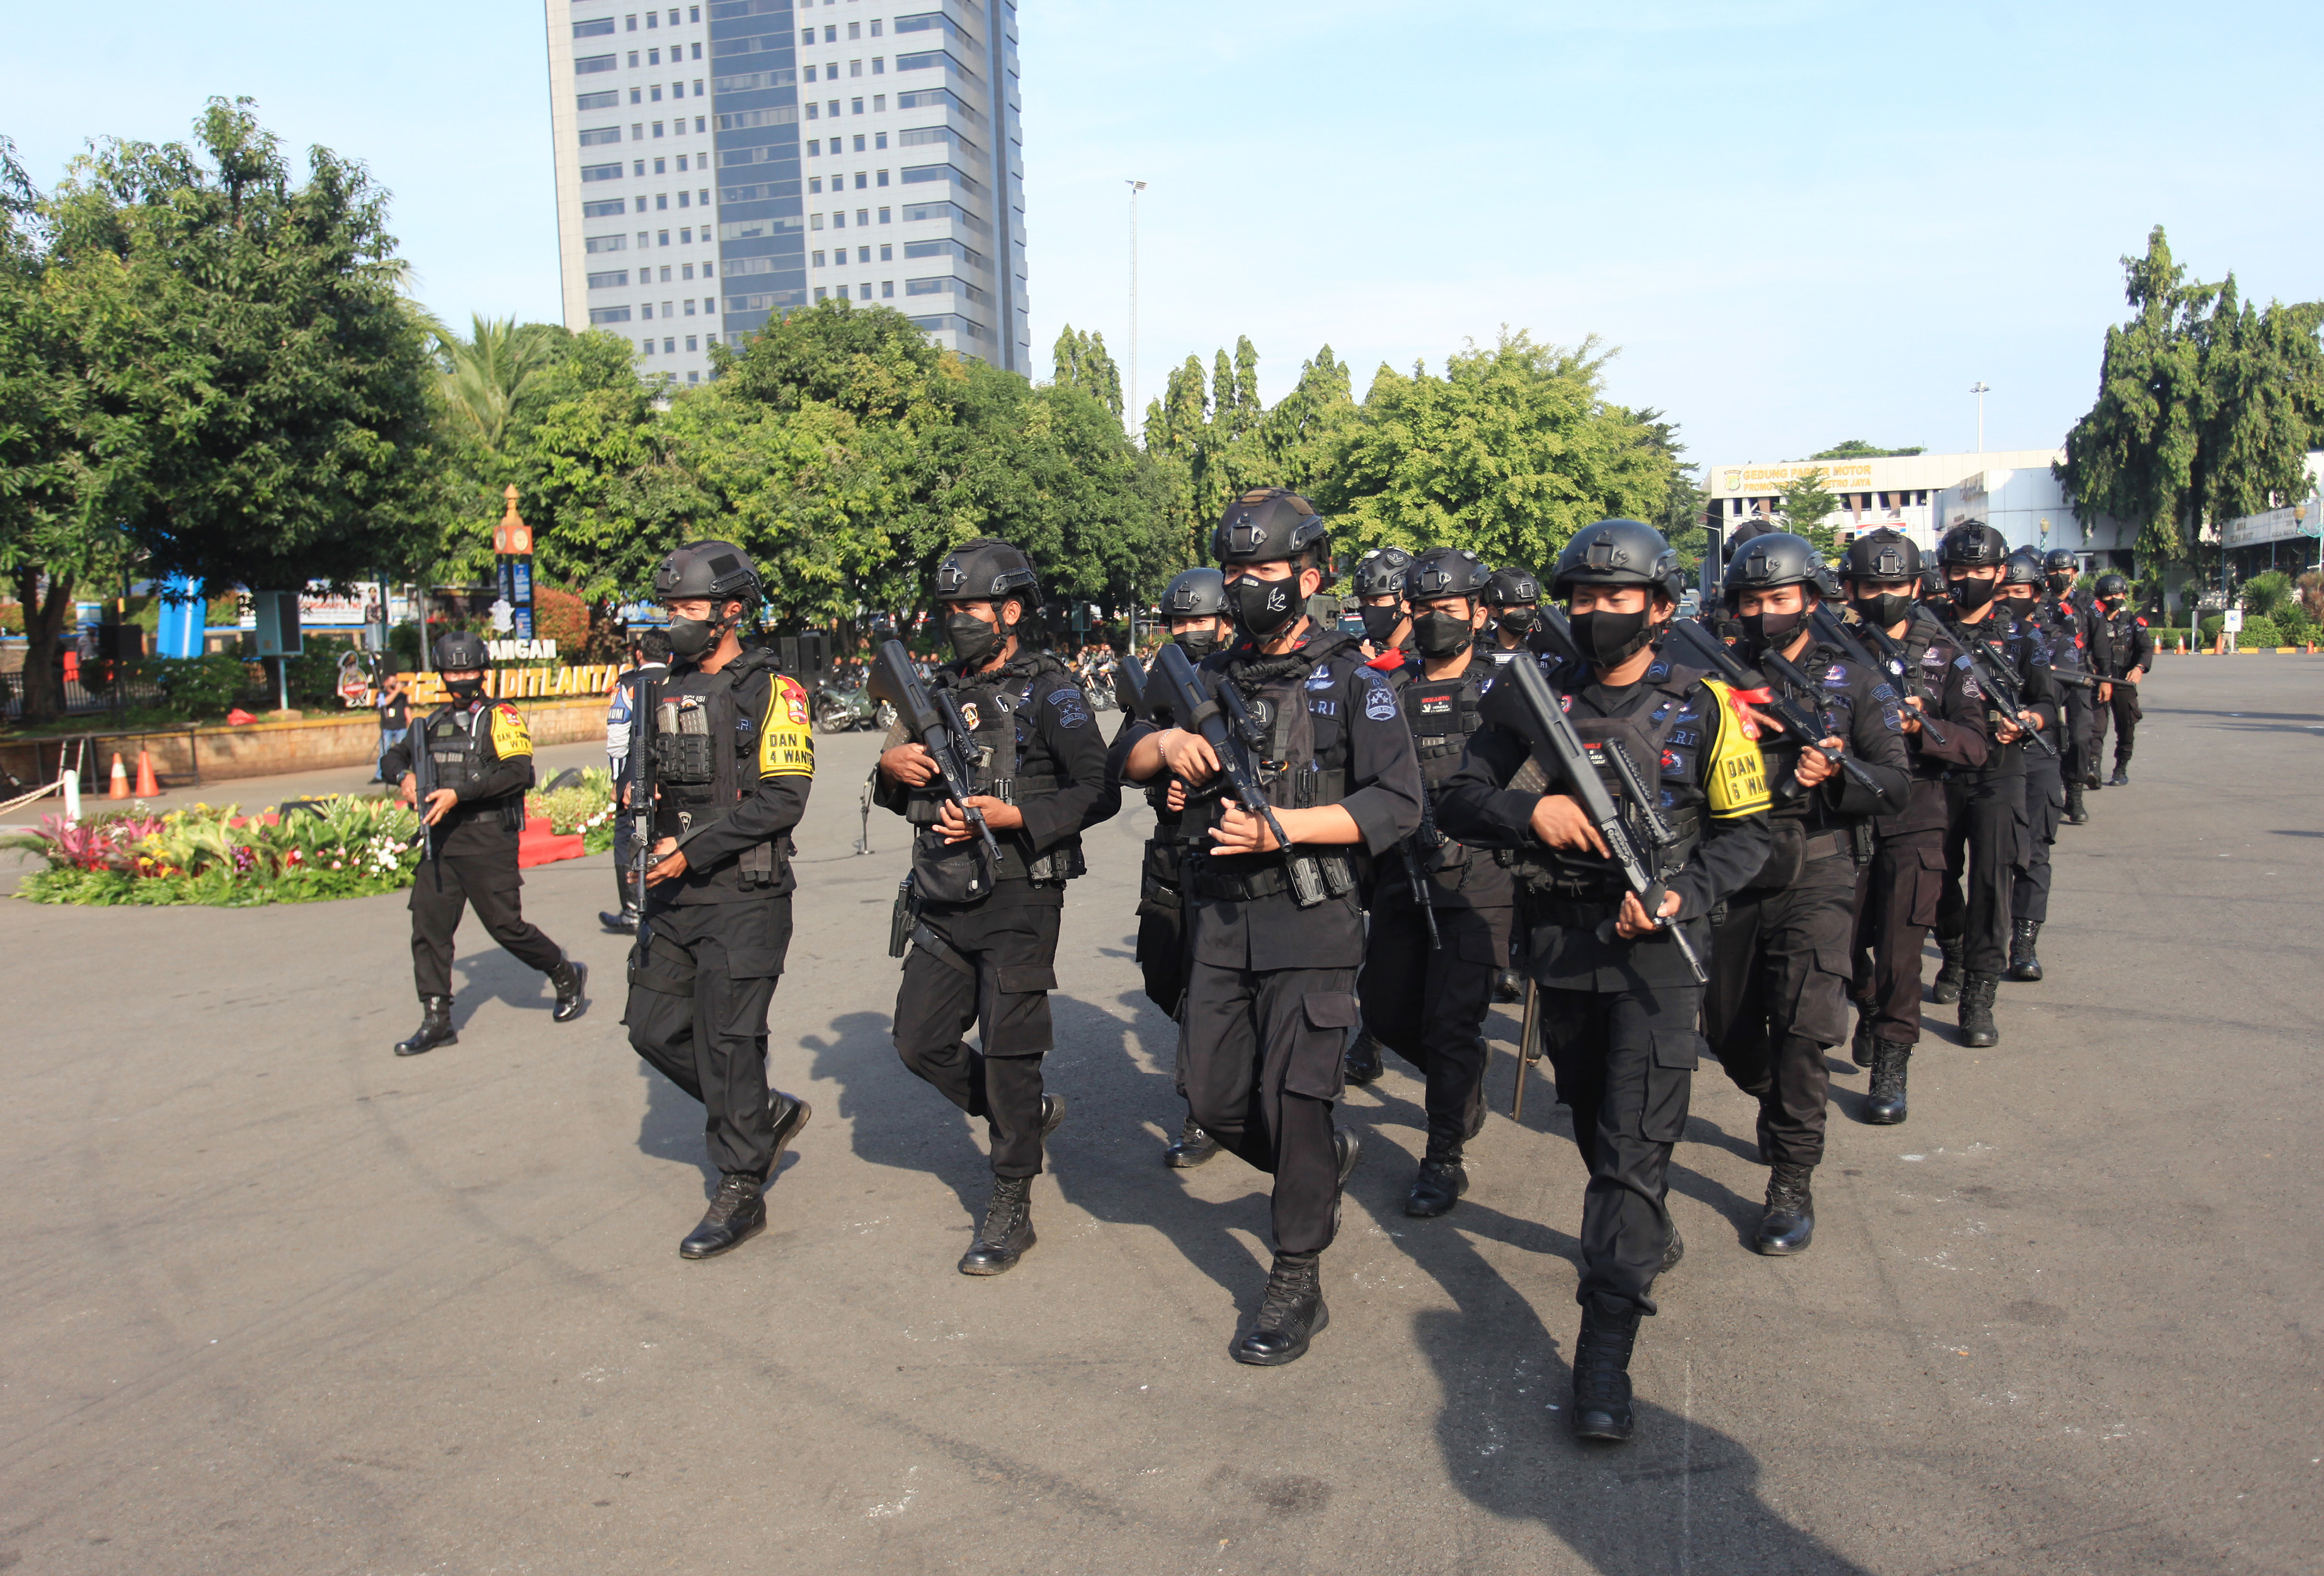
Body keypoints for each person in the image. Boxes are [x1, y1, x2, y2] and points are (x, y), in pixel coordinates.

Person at [1436, 518, 1771, 1444]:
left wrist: (1676, 893)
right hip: (1565, 954)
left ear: (1661, 608)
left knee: (1629, 1150)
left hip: (1660, 959)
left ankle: (1604, 1353)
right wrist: (1531, 809)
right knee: (1592, 1123)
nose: (1595, 613)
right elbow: (1456, 797)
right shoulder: (1531, 699)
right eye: (1580, 597)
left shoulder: (1708, 705)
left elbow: (1750, 832)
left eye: (1615, 597)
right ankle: (1639, 1228)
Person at [1120, 488, 1423, 1366]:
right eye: (1234, 572)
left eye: (1263, 573)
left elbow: (1397, 803)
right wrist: (1167, 753)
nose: (1245, 587)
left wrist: (1284, 827)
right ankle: (1318, 1163)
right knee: (1212, 1098)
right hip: (1219, 918)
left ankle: (1296, 1271)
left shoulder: (1356, 681)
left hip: (1314, 919)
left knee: (1294, 1097)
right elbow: (1127, 754)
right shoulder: (1203, 675)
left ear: (1309, 577)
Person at [876, 538, 1119, 1277]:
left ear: (1010, 611)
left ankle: (1011, 1195)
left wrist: (1019, 817)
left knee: (1012, 1054)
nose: (957, 621)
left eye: (970, 608)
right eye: (949, 609)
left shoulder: (1053, 690)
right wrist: (892, 767)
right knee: (918, 1041)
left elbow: (1099, 789)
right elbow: (900, 789)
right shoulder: (932, 692)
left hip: (1021, 892)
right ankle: (1022, 1119)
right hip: (945, 890)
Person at [1701, 532, 1909, 1254]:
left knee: (1801, 1025)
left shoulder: (1855, 680)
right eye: (1751, 601)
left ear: (1811, 601)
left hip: (1819, 866)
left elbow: (1896, 784)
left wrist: (1840, 772)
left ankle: (1791, 1179)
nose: (1764, 613)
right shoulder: (1712, 678)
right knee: (1725, 1031)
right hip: (1733, 868)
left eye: (1779, 599)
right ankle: (1768, 1097)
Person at [621, 543, 817, 1259]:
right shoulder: (661, 685)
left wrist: (692, 850)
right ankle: (760, 1113)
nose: (673, 620)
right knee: (652, 1026)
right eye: (667, 608)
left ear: (731, 611)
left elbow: (782, 800)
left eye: (687, 608)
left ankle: (740, 1180)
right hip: (674, 892)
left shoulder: (775, 691)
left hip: (745, 892)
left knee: (729, 1041)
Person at [1340, 547, 1512, 1217]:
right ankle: (1462, 1074)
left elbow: (1536, 773)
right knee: (1383, 1010)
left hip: (1481, 878)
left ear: (1476, 611)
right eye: (1424, 609)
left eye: (1449, 608)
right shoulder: (1384, 687)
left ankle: (1443, 1153)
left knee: (1449, 1019)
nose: (1436, 620)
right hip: (1399, 870)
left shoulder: (1509, 685)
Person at [382, 630, 586, 1058]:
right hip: (440, 841)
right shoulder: (431, 724)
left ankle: (564, 972)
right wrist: (405, 777)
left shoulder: (501, 717)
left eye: (470, 669)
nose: (462, 676)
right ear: (441, 673)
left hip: (487, 837)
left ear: (483, 672)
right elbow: (392, 757)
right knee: (429, 929)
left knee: (505, 926)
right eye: (454, 670)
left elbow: (517, 773)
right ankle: (437, 1019)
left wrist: (461, 794)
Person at [1841, 531, 1988, 1125]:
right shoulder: (1832, 652)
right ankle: (1870, 1006)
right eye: (1871, 586)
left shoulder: (1948, 657)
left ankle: (1891, 1066)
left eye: (1895, 586)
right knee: (1844, 950)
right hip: (1845, 817)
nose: (1882, 596)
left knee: (1903, 954)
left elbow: (1976, 743)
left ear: (1916, 587)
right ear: (1849, 588)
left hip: (1917, 820)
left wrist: (1923, 729)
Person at [1104, 567, 1232, 1169]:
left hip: (1233, 848)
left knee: (1209, 986)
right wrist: (1163, 768)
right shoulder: (1158, 678)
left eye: (1199, 620)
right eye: (1178, 621)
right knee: (1164, 976)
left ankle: (1202, 1108)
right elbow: (1126, 753)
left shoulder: (1244, 677)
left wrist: (1204, 785)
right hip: (1173, 851)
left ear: (1226, 621)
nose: (1187, 630)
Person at [1929, 521, 2058, 1049]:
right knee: (1933, 876)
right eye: (1959, 570)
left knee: (1991, 881)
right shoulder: (1926, 630)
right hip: (1936, 769)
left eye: (1981, 570)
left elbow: (2048, 704)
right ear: (1944, 573)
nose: (1969, 579)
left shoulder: (2024, 637)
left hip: (1999, 768)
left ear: (2000, 574)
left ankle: (1978, 994)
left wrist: (2028, 718)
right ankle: (1953, 946)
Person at [2002, 550, 2075, 980]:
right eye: (2003, 592)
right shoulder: (1963, 635)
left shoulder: (2046, 638)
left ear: (2035, 593)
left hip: (2035, 750)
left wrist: (2030, 718)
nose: (2010, 599)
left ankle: (2024, 942)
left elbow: (2055, 696)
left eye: (2019, 592)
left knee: (2033, 853)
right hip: (1980, 753)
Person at [601, 626, 672, 933]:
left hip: (635, 775)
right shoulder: (680, 678)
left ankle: (632, 910)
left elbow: (617, 742)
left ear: (639, 654)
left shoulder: (628, 684)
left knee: (626, 841)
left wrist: (620, 783)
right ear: (670, 655)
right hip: (675, 773)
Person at [2039, 549, 2099, 823]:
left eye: (2065, 571)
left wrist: (2106, 678)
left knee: (2079, 735)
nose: (2060, 576)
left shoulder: (2088, 605)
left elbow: (2101, 645)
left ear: (2075, 573)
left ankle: (2074, 794)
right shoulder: (2038, 602)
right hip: (2045, 674)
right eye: (2054, 571)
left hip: (2079, 675)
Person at [2088, 572, 2153, 786]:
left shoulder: (2133, 621)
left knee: (2126, 726)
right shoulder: (2092, 622)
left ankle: (2121, 768)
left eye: (2119, 594)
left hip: (2124, 680)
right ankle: (2094, 769)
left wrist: (2139, 668)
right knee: (2096, 727)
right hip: (2098, 680)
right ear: (2099, 597)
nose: (2114, 598)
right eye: (2108, 595)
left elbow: (2146, 649)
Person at [1349, 546, 1415, 661]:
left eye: (1376, 600)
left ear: (1407, 603)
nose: (1369, 609)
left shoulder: (1430, 653)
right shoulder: (1354, 651)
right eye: (1363, 601)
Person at [1481, 566, 1543, 665]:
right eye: (1515, 606)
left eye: (1529, 604)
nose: (1524, 612)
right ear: (1493, 610)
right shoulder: (1476, 649)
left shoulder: (1544, 649)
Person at [372, 668, 410, 785]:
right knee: (384, 752)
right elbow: (384, 703)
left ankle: (404, 774)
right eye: (392, 679)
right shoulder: (381, 694)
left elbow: (406, 709)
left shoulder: (402, 696)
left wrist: (411, 722)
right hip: (387, 728)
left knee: (403, 752)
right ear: (386, 682)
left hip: (401, 727)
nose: (395, 681)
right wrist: (396, 692)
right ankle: (380, 775)